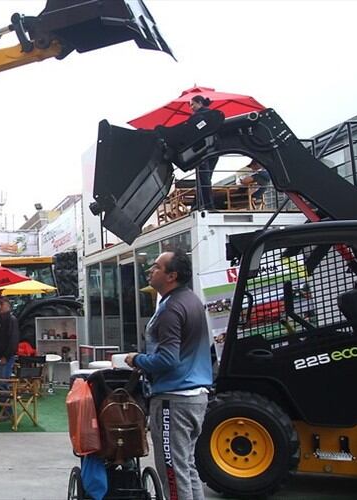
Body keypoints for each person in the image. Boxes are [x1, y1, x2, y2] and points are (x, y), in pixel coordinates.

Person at [125, 250, 213, 500]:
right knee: (186, 467)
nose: (150, 271)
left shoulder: (171, 309)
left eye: (156, 267)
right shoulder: (191, 300)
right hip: (195, 397)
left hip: (174, 400)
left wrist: (137, 359)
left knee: (172, 472)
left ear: (172, 275)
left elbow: (168, 359)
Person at [189, 95, 219, 212]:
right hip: (215, 150)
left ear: (200, 103)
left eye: (193, 104)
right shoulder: (214, 115)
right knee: (205, 178)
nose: (191, 107)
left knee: (203, 179)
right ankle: (196, 205)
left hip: (202, 150)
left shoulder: (198, 117)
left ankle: (208, 205)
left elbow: (195, 132)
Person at [0, 297, 19, 384]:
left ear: (8, 306)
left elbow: (13, 340)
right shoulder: (1, 321)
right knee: (0, 381)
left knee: (3, 382)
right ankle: (1, 395)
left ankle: (4, 396)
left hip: (6, 357)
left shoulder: (11, 320)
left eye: (1, 304)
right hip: (0, 357)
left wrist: (6, 356)